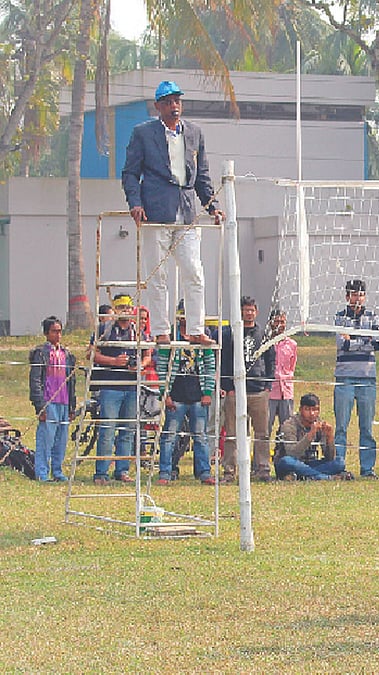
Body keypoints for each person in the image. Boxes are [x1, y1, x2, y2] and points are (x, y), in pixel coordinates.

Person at [120, 80, 222, 346]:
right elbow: (130, 172)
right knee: (158, 275)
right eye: (167, 102)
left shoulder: (194, 133)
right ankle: (161, 331)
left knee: (194, 272)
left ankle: (196, 329)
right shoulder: (143, 133)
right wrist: (135, 203)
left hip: (186, 211)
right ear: (158, 106)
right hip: (155, 212)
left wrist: (212, 205)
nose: (173, 106)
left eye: (177, 101)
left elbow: (202, 176)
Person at [90, 294, 152, 484]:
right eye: (121, 307)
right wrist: (114, 362)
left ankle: (122, 470)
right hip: (111, 386)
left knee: (128, 430)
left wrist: (140, 365)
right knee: (107, 430)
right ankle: (101, 472)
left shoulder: (138, 331)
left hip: (132, 386)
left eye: (127, 307)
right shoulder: (104, 329)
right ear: (115, 309)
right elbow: (91, 353)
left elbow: (148, 354)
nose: (125, 311)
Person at [155, 308, 216, 485]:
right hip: (176, 397)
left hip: (198, 397)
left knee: (201, 437)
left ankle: (204, 473)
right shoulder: (171, 336)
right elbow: (162, 367)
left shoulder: (202, 335)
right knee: (169, 437)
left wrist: (207, 392)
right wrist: (164, 394)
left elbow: (209, 365)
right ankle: (165, 473)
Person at [219, 296, 275, 481]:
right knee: (232, 433)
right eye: (245, 309)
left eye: (252, 309)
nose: (249, 313)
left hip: (258, 390)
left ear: (256, 311)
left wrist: (267, 385)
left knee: (262, 433)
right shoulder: (230, 332)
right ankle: (229, 471)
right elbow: (225, 359)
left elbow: (270, 360)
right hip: (235, 390)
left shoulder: (264, 333)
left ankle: (262, 468)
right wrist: (228, 387)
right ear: (240, 311)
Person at [334, 279, 379, 477]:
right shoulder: (339, 317)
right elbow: (341, 344)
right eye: (354, 294)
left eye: (361, 294)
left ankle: (367, 468)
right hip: (344, 377)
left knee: (367, 427)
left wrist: (352, 340)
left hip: (367, 378)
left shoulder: (373, 317)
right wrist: (363, 341)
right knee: (341, 427)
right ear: (347, 296)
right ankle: (339, 466)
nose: (358, 298)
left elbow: (377, 344)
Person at [29, 316, 77, 482]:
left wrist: (72, 406)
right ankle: (42, 473)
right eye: (54, 331)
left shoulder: (67, 355)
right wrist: (39, 405)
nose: (58, 335)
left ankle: (57, 471)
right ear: (46, 333)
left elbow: (72, 381)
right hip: (49, 401)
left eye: (59, 331)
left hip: (64, 402)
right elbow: (35, 380)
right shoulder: (41, 353)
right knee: (45, 439)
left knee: (61, 440)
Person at [274, 394, 350, 481]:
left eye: (315, 410)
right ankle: (326, 477)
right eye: (307, 409)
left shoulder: (319, 423)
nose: (312, 413)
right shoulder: (289, 425)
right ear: (300, 410)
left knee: (339, 462)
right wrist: (310, 435)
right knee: (286, 461)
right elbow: (292, 453)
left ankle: (302, 476)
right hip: (289, 464)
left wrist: (330, 438)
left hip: (309, 463)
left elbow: (329, 458)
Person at [267, 309, 298, 442]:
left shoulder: (292, 344)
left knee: (287, 428)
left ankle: (284, 457)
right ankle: (260, 460)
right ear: (271, 323)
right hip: (270, 391)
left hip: (286, 391)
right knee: (265, 427)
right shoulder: (266, 343)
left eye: (282, 321)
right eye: (277, 321)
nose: (280, 324)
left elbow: (292, 365)